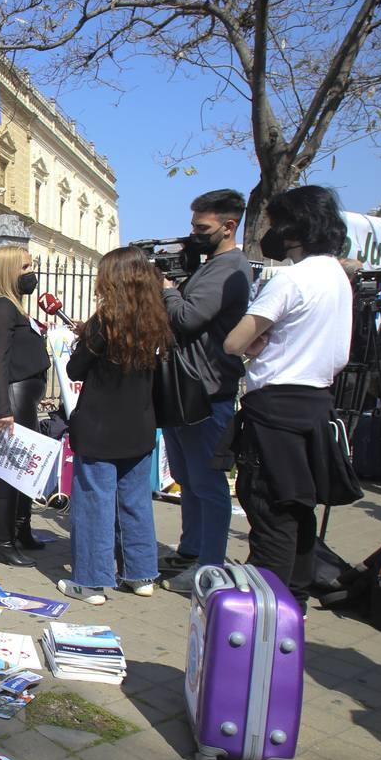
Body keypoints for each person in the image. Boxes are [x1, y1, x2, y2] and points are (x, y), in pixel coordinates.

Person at [224, 186, 354, 609]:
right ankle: (293, 606)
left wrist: (256, 342)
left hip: (275, 411)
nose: (271, 233)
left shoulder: (291, 280)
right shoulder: (336, 275)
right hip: (316, 403)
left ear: (296, 228)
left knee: (271, 512)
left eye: (277, 224)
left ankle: (268, 612)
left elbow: (234, 342)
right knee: (299, 511)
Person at [57, 247, 173, 604]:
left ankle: (90, 581)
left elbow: (75, 370)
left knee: (95, 503)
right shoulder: (155, 320)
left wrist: (84, 339)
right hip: (139, 426)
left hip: (100, 429)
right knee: (136, 503)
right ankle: (140, 574)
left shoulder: (104, 321)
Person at [159, 189, 252, 593]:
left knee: (208, 484)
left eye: (202, 227)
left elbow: (189, 317)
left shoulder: (229, 268)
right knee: (187, 478)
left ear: (228, 226)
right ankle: (191, 549)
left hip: (207, 392)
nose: (194, 233)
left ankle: (209, 568)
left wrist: (166, 289)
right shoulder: (211, 265)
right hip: (186, 389)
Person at [0, 244, 49, 567]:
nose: (30, 273)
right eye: (24, 268)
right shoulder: (0, 309)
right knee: (10, 472)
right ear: (8, 271)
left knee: (23, 473)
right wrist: (2, 407)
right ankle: (2, 542)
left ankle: (21, 529)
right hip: (13, 401)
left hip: (25, 397)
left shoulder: (14, 307)